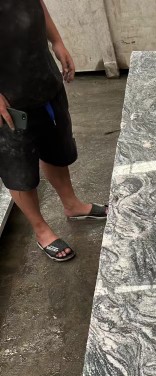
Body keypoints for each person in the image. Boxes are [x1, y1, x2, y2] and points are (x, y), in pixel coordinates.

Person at [0, 0, 107, 262]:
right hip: (8, 99)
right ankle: (41, 229)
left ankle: (72, 205)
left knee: (55, 146)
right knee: (19, 168)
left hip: (42, 79)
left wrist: (57, 41)